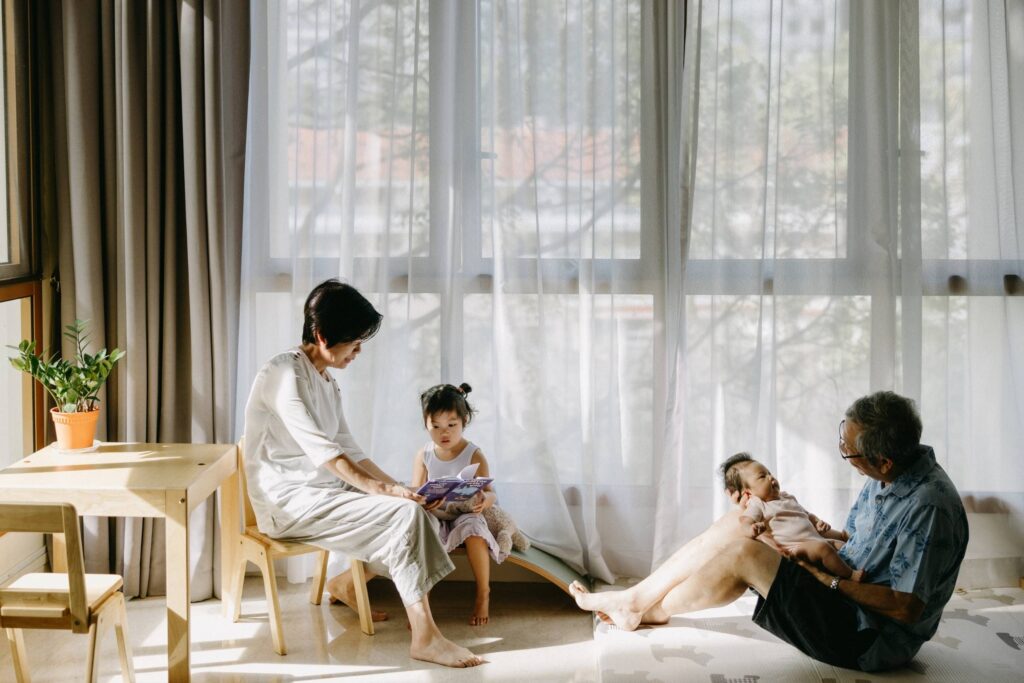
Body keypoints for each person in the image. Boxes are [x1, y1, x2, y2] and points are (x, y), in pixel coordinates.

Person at [570, 391, 968, 672]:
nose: (844, 455)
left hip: (866, 636)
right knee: (740, 524)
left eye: (848, 452)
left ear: (882, 460)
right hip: (841, 590)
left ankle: (645, 607)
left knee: (745, 554)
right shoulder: (890, 473)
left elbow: (907, 606)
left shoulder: (928, 505)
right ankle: (639, 602)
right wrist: (818, 539)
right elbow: (865, 543)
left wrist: (827, 580)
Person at [243, 279, 483, 668]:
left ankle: (342, 586)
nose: (358, 352)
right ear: (322, 335)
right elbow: (329, 456)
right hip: (288, 503)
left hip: (322, 493)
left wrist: (402, 488)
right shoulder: (284, 374)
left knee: (417, 506)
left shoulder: (325, 382)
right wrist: (387, 491)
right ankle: (425, 638)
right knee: (403, 514)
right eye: (353, 342)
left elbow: (351, 450)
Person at [411, 383, 502, 626]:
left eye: (452, 425)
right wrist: (424, 501)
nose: (445, 433)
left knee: (474, 531)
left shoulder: (474, 454)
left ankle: (483, 593)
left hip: (465, 511)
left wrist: (484, 502)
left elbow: (490, 493)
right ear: (426, 423)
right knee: (423, 533)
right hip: (436, 512)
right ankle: (422, 603)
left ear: (464, 421)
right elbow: (414, 492)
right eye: (436, 426)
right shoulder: (425, 454)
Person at [722, 452, 863, 582]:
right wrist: (752, 529)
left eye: (769, 473)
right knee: (823, 549)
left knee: (841, 546)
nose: (771, 477)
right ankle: (851, 576)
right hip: (795, 549)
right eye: (762, 476)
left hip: (816, 539)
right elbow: (745, 522)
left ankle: (856, 567)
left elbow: (806, 515)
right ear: (748, 493)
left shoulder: (787, 497)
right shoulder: (758, 504)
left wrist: (817, 522)